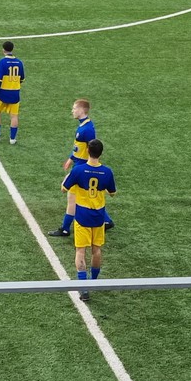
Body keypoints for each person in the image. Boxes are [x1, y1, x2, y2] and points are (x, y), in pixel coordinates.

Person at [60, 138, 116, 301]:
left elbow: (64, 189)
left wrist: (68, 179)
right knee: (96, 249)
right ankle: (93, 282)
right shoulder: (107, 172)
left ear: (88, 152)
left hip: (82, 216)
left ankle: (84, 289)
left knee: (80, 251)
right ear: (101, 153)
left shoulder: (79, 170)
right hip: (98, 216)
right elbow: (112, 193)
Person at [48, 99, 96, 237]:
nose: (72, 111)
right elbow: (79, 148)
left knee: (72, 197)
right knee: (86, 197)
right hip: (79, 165)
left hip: (81, 168)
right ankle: (107, 221)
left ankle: (65, 228)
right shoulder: (83, 126)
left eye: (74, 108)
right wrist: (71, 158)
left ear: (81, 110)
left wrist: (83, 169)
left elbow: (91, 151)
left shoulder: (87, 130)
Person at [0, 41, 24, 144]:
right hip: (15, 93)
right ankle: (12, 139)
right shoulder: (19, 62)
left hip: (2, 93)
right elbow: (22, 79)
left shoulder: (2, 62)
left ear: (3, 50)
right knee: (14, 116)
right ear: (12, 49)